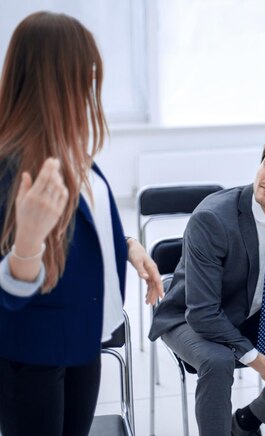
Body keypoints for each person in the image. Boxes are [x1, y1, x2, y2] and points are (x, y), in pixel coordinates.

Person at [0, 11, 163, 436]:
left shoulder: (69, 148)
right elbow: (7, 292)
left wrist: (129, 246)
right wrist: (28, 243)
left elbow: (82, 224)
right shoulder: (9, 165)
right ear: (51, 78)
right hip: (33, 352)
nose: (92, 85)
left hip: (82, 336)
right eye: (84, 73)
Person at [149, 133, 265, 436]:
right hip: (189, 317)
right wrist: (260, 362)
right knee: (218, 362)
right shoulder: (212, 219)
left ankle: (244, 423)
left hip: (255, 311)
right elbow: (202, 313)